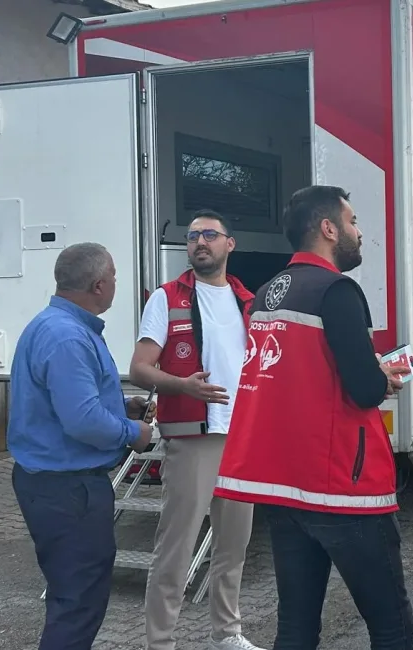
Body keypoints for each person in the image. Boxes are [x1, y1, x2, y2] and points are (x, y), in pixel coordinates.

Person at [213, 186, 413, 649]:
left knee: (297, 628)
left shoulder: (265, 294)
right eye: (353, 222)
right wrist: (382, 376)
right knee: (391, 626)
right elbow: (362, 389)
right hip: (343, 489)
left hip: (285, 491)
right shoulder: (337, 290)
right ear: (328, 229)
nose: (359, 233)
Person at [8, 242, 154, 650]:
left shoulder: (51, 324)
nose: (115, 286)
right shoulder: (68, 337)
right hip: (68, 489)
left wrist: (121, 405)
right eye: (114, 279)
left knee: (70, 595)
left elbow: (63, 403)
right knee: (78, 602)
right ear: (98, 285)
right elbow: (82, 420)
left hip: (51, 485)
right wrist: (132, 434)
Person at [130, 209, 263, 650]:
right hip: (192, 437)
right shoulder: (166, 298)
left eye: (209, 235)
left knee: (233, 546)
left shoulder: (249, 301)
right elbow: (140, 369)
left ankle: (227, 633)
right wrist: (182, 386)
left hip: (242, 439)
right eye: (192, 237)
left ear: (230, 244)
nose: (199, 242)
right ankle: (161, 642)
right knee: (176, 547)